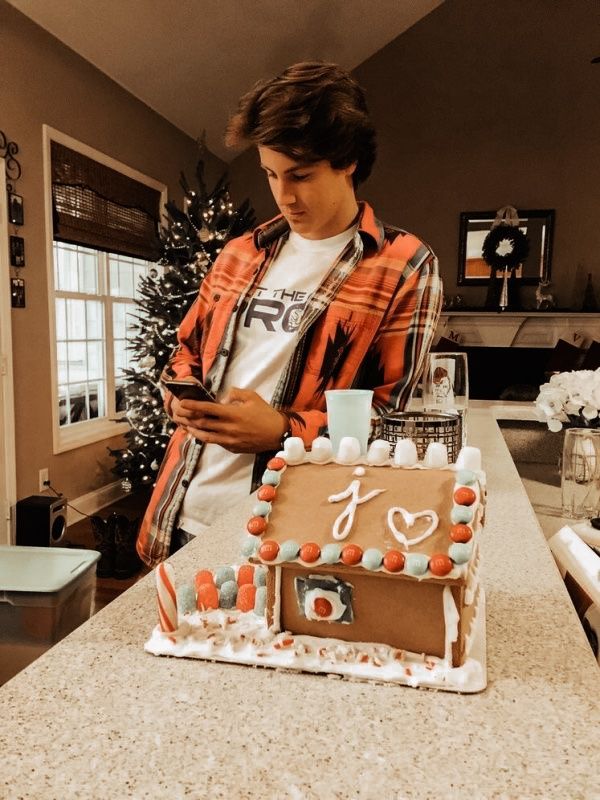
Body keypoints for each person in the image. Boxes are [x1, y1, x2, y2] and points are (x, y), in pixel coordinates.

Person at [136, 61, 443, 567]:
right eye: (271, 174)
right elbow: (184, 352)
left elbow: (395, 424)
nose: (284, 195)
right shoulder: (239, 252)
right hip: (182, 514)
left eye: (301, 175)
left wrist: (282, 430)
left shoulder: (404, 266)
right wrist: (179, 398)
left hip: (295, 531)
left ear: (347, 161)